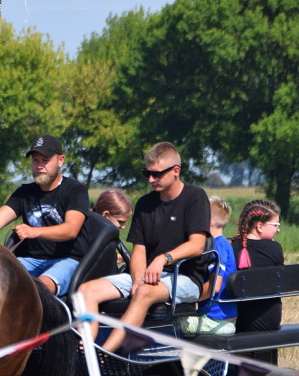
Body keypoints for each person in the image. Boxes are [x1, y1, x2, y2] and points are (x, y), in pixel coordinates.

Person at [78, 142, 211, 353]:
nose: (150, 179)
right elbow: (138, 250)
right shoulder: (144, 204)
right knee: (86, 290)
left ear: (176, 171)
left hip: (185, 276)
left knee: (144, 293)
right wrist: (137, 279)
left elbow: (197, 245)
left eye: (156, 174)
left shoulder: (195, 197)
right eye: (147, 173)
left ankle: (108, 355)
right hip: (148, 276)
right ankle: (86, 350)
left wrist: (162, 259)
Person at [0, 135, 88, 296]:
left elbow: (71, 229)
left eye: (45, 160)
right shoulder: (24, 192)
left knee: (41, 286)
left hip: (67, 259)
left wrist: (34, 231)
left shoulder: (75, 190)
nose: (39, 166)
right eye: (35, 161)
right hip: (30, 259)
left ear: (61, 160)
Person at [180, 195, 237, 335]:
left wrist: (189, 298)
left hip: (215, 321)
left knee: (171, 325)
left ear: (208, 222)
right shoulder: (222, 244)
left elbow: (215, 287)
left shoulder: (217, 246)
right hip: (220, 319)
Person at [231, 198, 284, 331]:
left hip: (240, 322)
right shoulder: (275, 248)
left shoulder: (231, 246)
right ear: (260, 226)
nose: (278, 230)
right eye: (276, 225)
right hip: (270, 322)